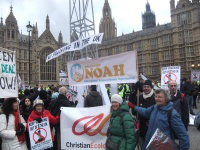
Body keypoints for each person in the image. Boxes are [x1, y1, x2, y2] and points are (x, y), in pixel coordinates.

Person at [137, 80, 156, 147]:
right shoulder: (139, 98)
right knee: (143, 146)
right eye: (144, 86)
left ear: (151, 88)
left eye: (148, 86)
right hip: (142, 127)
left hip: (153, 127)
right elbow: (135, 111)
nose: (146, 88)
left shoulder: (156, 97)